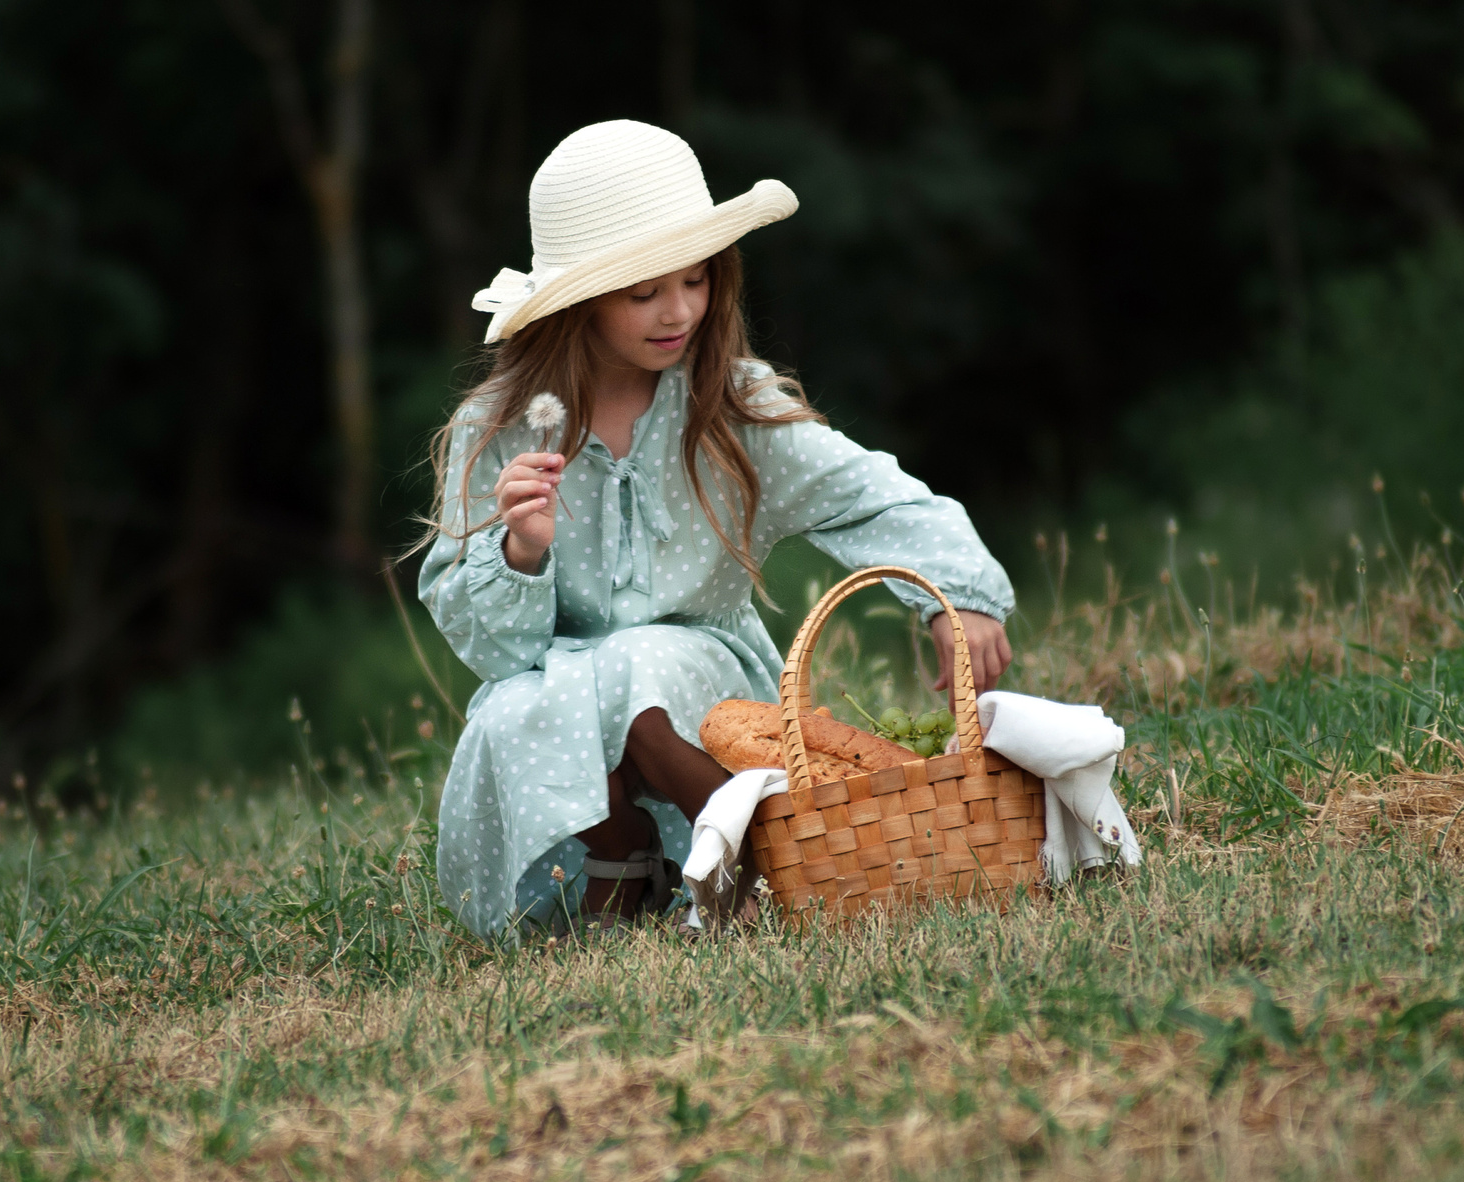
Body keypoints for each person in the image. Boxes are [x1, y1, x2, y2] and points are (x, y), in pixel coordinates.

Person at [417, 119, 1015, 935]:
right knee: (513, 708)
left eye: (696, 281)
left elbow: (876, 496)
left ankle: (784, 862)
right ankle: (625, 867)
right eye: (643, 293)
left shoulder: (732, 408)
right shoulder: (503, 428)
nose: (679, 311)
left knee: (634, 662)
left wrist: (963, 596)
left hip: (698, 681)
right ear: (579, 301)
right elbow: (494, 650)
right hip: (556, 683)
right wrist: (521, 551)